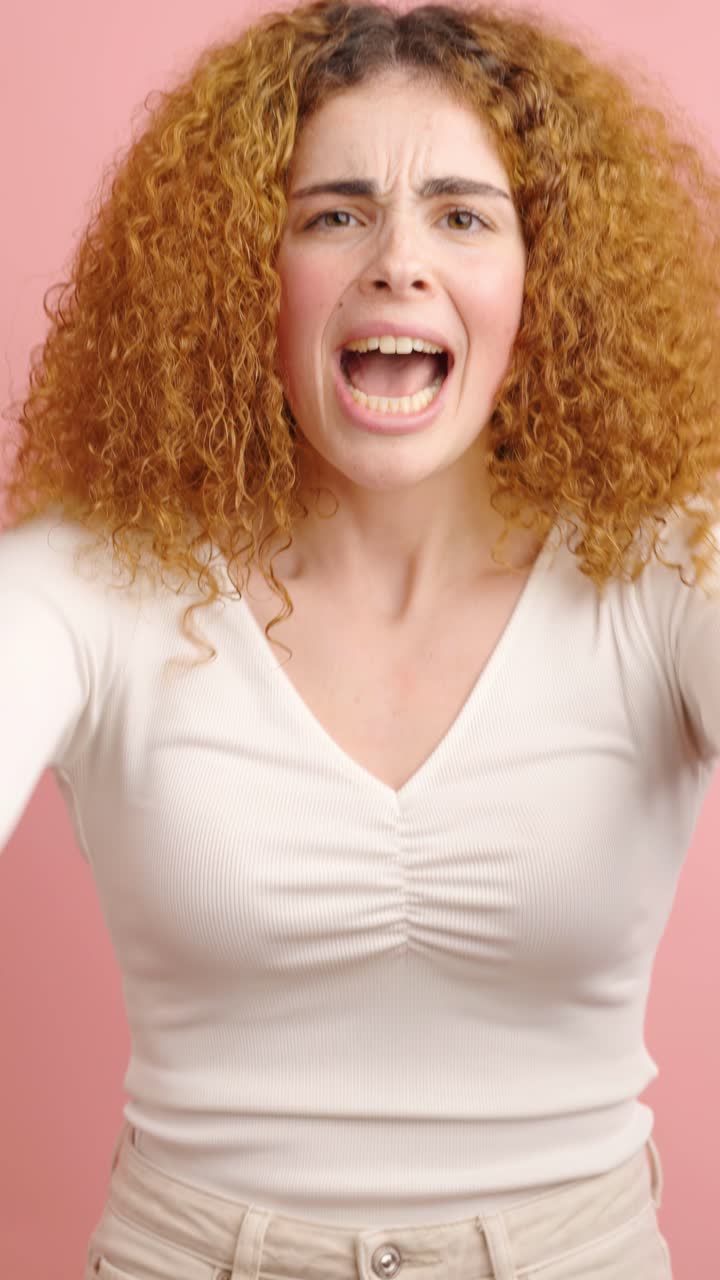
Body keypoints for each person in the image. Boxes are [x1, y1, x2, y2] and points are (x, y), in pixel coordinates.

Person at [2, 0, 719, 1275]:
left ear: (541, 279)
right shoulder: (87, 578)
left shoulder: (671, 562)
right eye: (334, 214)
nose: (398, 259)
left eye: (462, 213)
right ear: (244, 277)